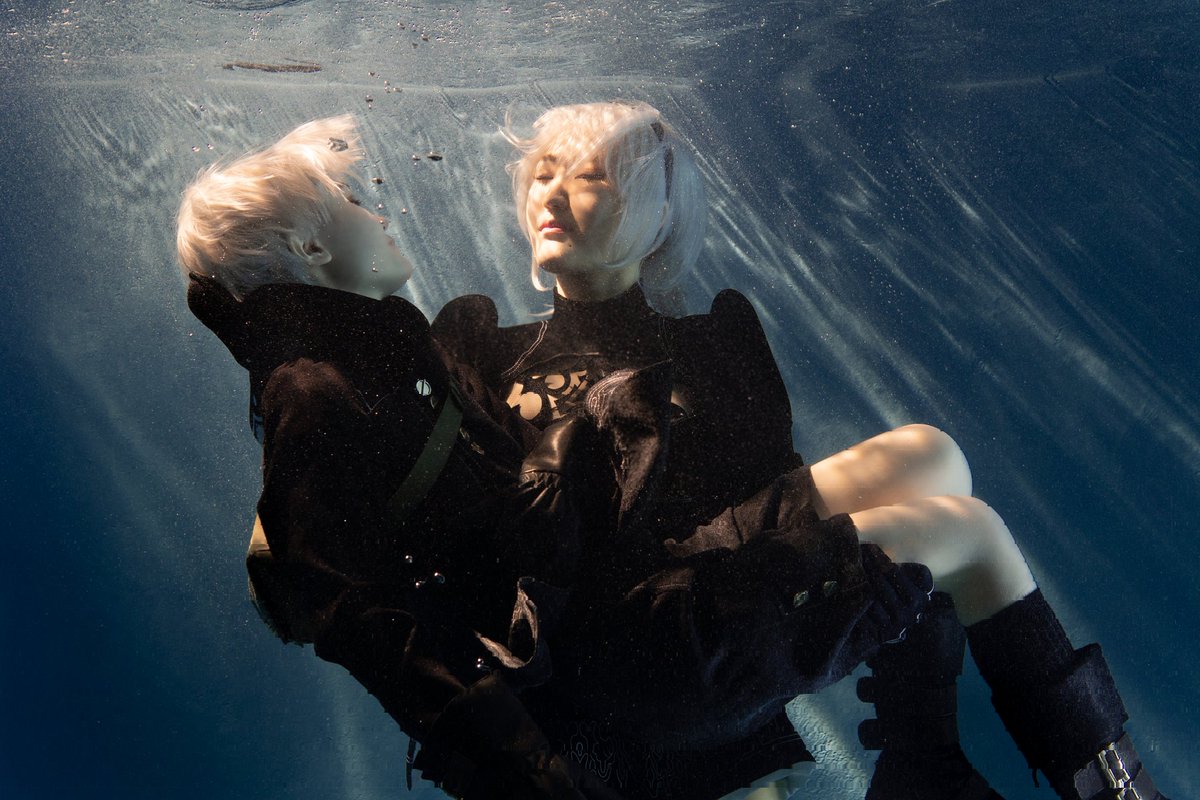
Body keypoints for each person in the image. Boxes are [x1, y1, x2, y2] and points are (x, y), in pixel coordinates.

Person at [432, 100, 1168, 800]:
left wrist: (849, 577)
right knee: (969, 532)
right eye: (543, 173)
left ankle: (923, 752)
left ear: (659, 214)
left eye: (590, 176)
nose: (553, 193)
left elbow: (767, 493)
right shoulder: (486, 355)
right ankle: (1088, 783)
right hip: (630, 638)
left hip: (713, 582)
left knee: (933, 456)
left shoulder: (717, 342)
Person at [176, 114, 614, 799]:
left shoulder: (380, 349)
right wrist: (517, 753)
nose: (378, 213)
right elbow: (344, 601)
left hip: (553, 627)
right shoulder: (310, 390)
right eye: (353, 204)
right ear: (311, 247)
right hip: (520, 689)